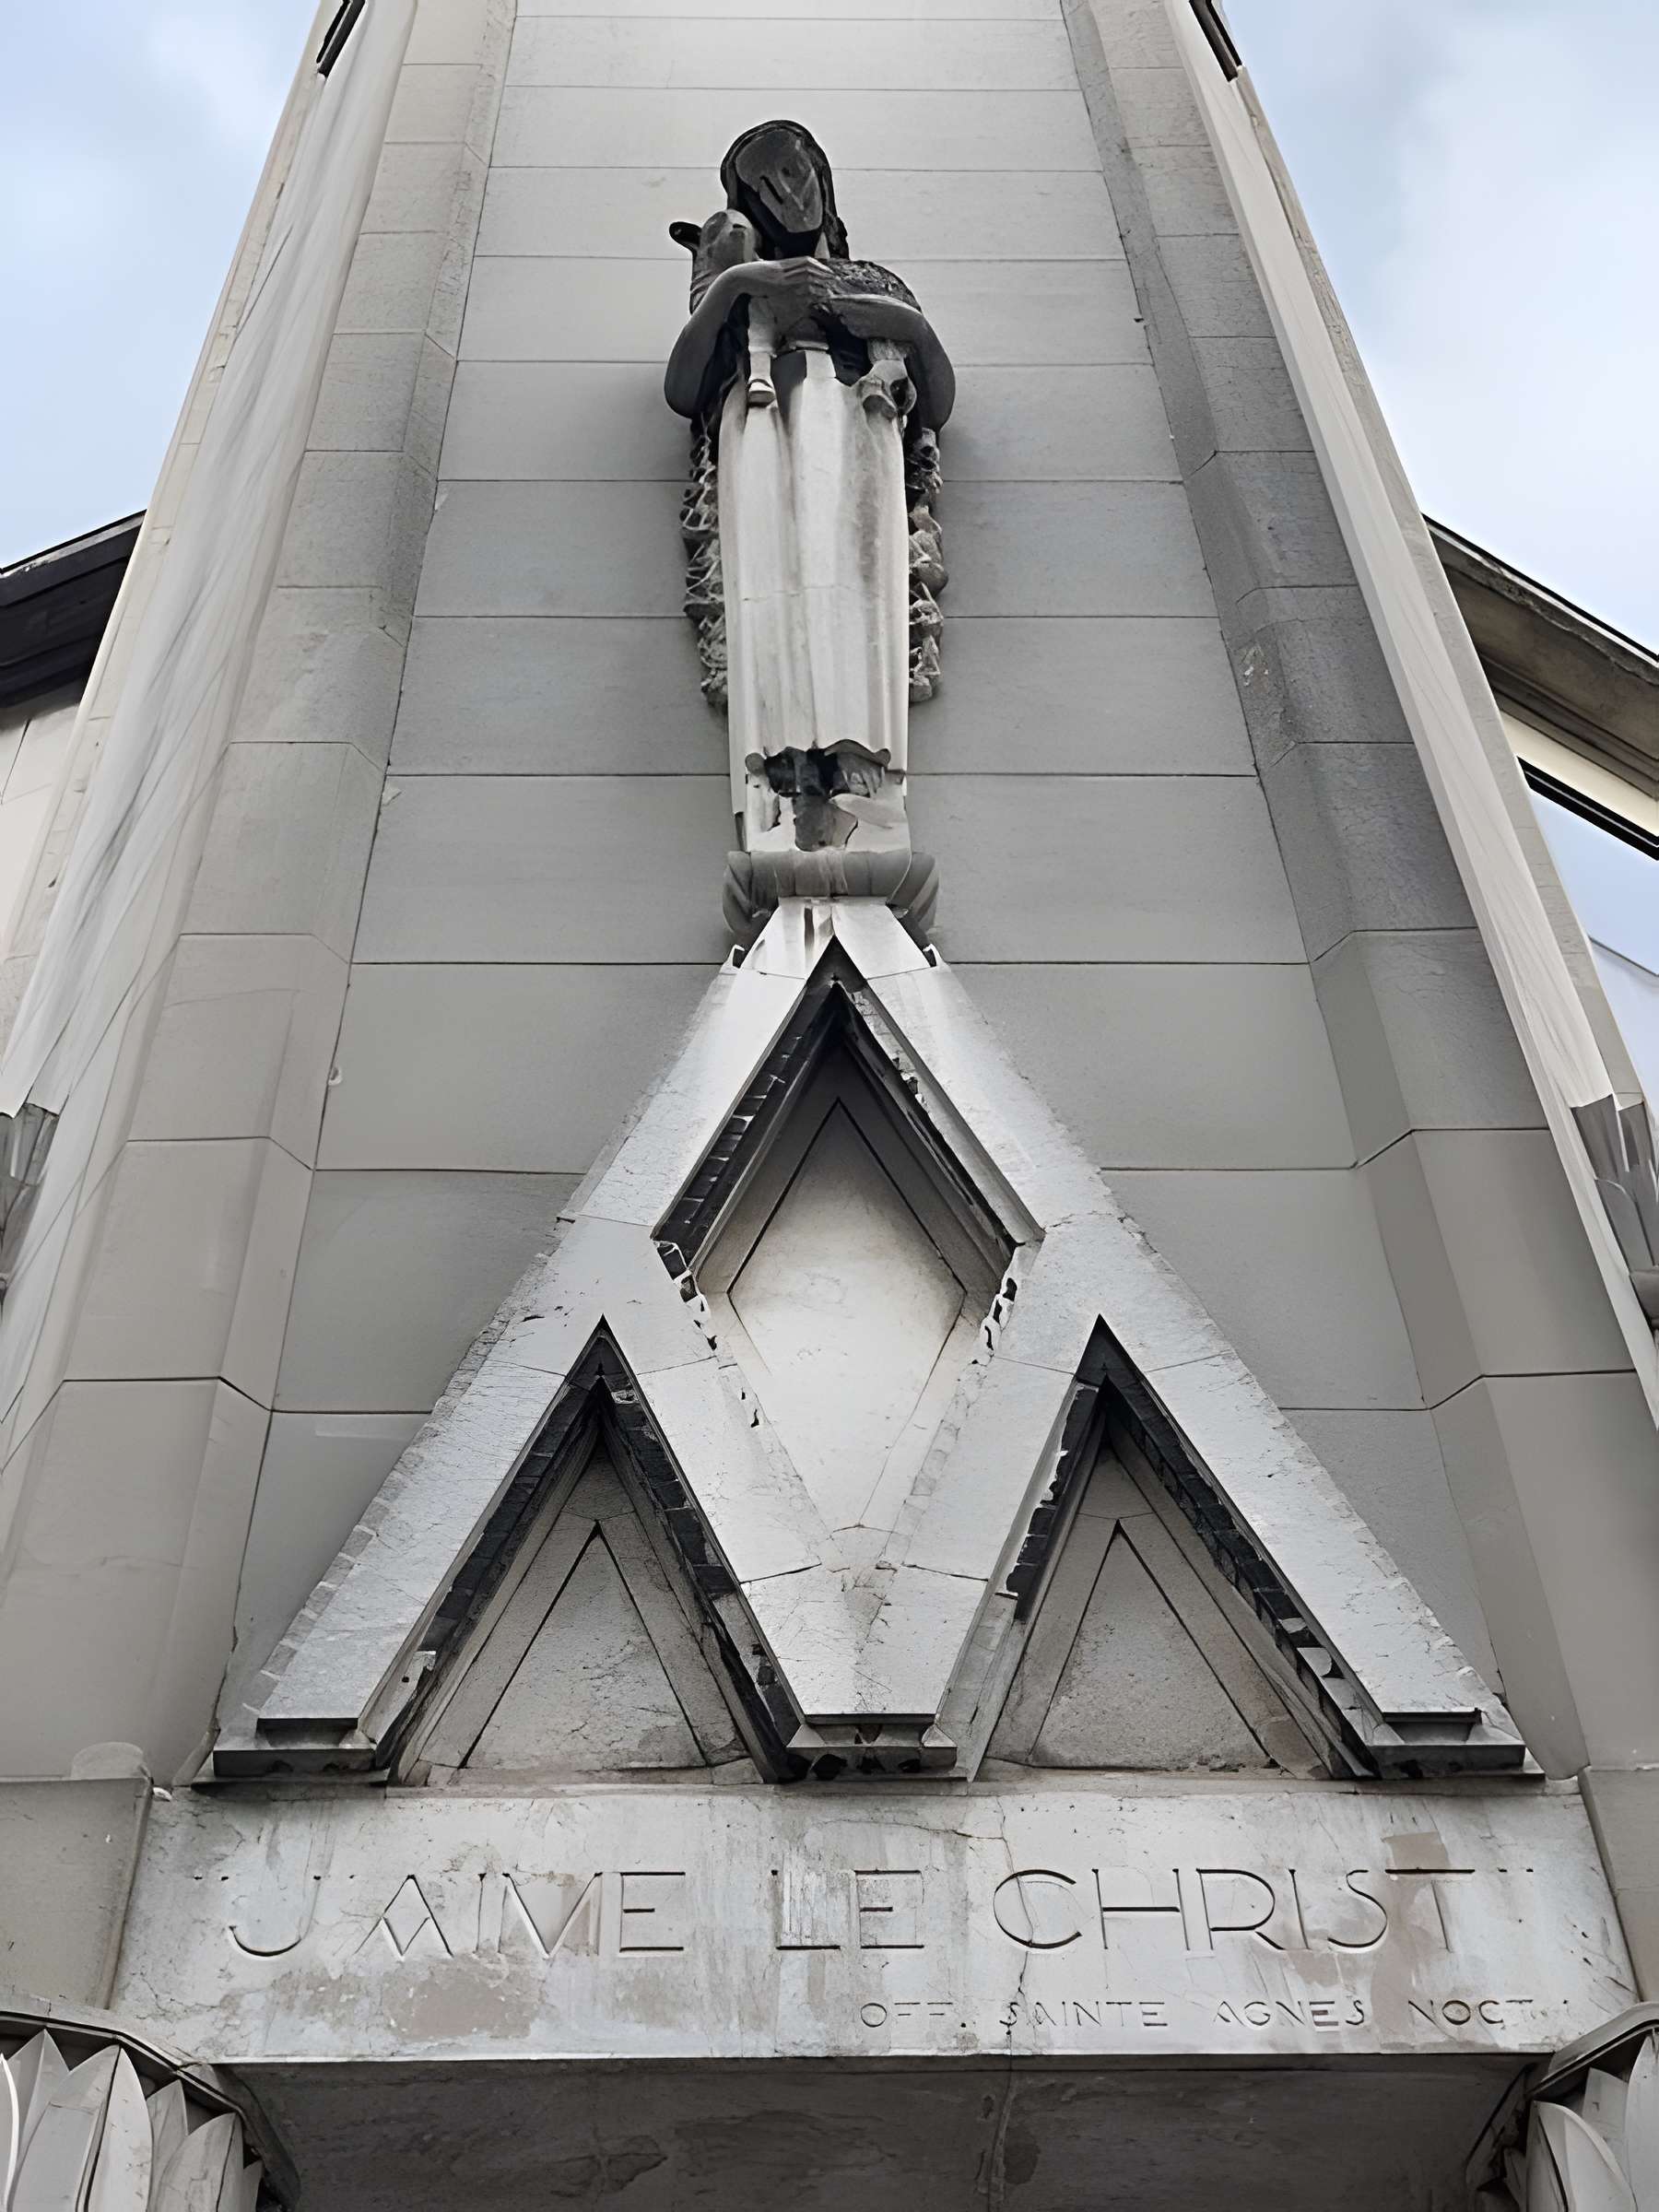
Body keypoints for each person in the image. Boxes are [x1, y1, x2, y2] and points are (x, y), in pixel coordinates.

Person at [665, 121, 955, 858]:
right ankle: (784, 760)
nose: (788, 194)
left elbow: (939, 402)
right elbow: (682, 386)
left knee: (856, 586)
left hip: (858, 425)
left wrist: (908, 329)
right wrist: (735, 283)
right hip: (761, 430)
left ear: (824, 186)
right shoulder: (745, 289)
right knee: (772, 579)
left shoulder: (873, 282)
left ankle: (862, 763)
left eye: (798, 175)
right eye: (767, 185)